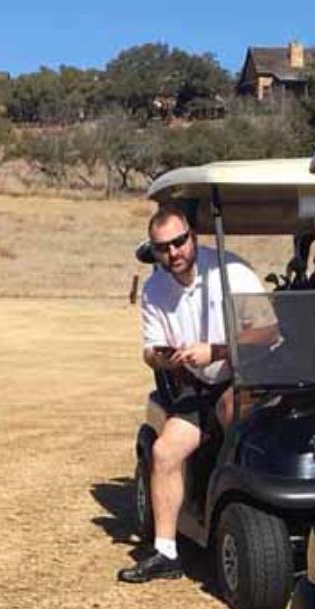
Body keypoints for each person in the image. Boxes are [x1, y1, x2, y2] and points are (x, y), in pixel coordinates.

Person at [119, 207, 261, 585]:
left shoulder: (233, 272)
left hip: (247, 376)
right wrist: (161, 357)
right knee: (165, 452)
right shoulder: (154, 289)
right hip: (195, 385)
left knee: (231, 411)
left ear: (193, 237)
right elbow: (149, 350)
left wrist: (215, 351)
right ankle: (166, 552)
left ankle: (239, 520)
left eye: (179, 242)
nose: (174, 253)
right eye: (163, 248)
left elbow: (267, 333)